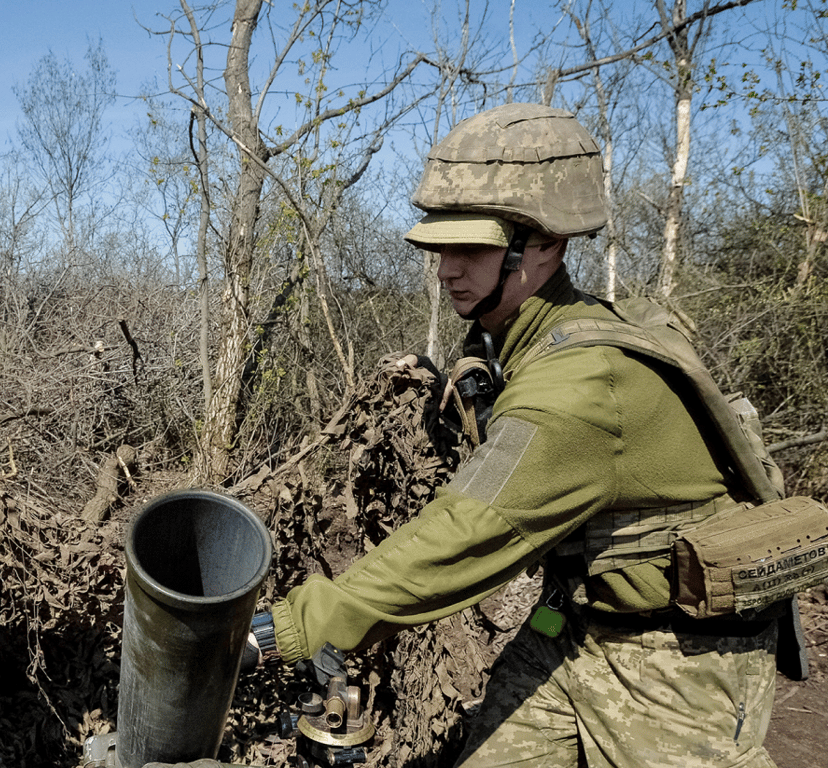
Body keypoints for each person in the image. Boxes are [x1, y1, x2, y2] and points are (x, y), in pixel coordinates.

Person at [243, 103, 786, 767]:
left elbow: (470, 530)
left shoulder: (582, 388)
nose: (446, 269)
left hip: (679, 658)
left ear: (548, 245)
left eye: (471, 247)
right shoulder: (524, 337)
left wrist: (287, 630)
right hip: (576, 623)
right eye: (439, 246)